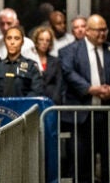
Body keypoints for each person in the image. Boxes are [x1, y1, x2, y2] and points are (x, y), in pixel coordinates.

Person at [59, 14, 110, 182]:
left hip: (106, 115)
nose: (102, 34)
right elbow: (69, 73)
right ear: (87, 31)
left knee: (108, 162)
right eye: (98, 30)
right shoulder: (70, 51)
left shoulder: (109, 49)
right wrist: (90, 89)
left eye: (105, 30)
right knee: (81, 164)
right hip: (81, 117)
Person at [0, 26, 43, 97]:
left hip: (25, 107)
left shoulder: (31, 67)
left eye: (17, 39)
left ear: (22, 42)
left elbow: (36, 92)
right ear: (4, 41)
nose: (12, 42)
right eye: (9, 38)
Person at [32, 26, 63, 104]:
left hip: (52, 101)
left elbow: (59, 83)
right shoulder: (30, 60)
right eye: (41, 39)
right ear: (36, 41)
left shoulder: (56, 61)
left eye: (47, 40)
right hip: (33, 100)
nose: (44, 43)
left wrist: (54, 101)